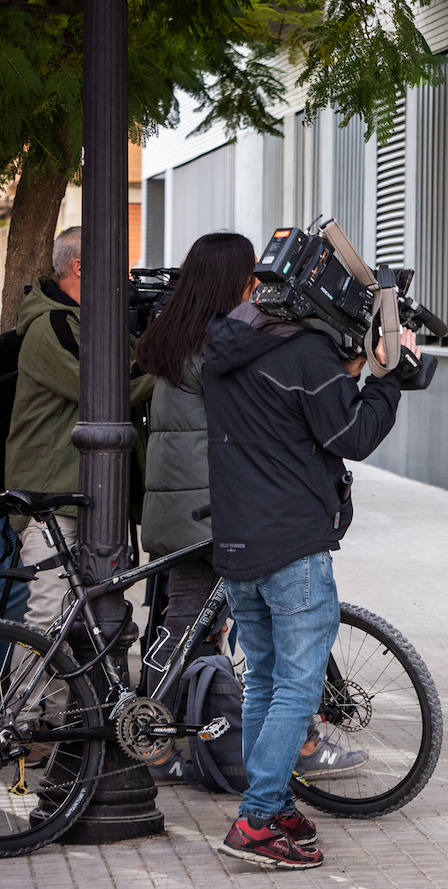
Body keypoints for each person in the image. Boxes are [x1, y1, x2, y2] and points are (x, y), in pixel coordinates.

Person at [134, 231, 363, 786]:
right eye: (252, 278)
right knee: (278, 634)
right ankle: (299, 743)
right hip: (218, 508)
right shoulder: (220, 345)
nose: (260, 287)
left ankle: (150, 739)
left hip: (174, 509)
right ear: (233, 281)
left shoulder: (175, 335)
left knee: (186, 626)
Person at [204, 289, 419, 868]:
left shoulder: (229, 347)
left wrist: (354, 368)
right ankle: (255, 819)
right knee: (297, 688)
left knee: (266, 683)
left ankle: (270, 808)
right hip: (292, 543)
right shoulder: (304, 355)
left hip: (237, 541)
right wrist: (388, 377)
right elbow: (352, 435)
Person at [6, 226, 153, 640]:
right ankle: (27, 707)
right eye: (117, 268)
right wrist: (168, 359)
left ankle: (67, 706)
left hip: (85, 495)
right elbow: (105, 388)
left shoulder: (89, 323)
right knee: (47, 619)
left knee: (77, 624)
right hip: (52, 497)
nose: (124, 280)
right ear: (81, 265)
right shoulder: (53, 325)